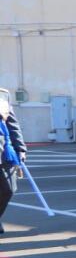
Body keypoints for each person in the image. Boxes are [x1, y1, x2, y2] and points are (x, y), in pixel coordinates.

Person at [0, 87, 27, 234]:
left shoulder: (3, 94)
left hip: (4, 151)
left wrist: (21, 149)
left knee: (9, 189)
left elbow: (12, 123)